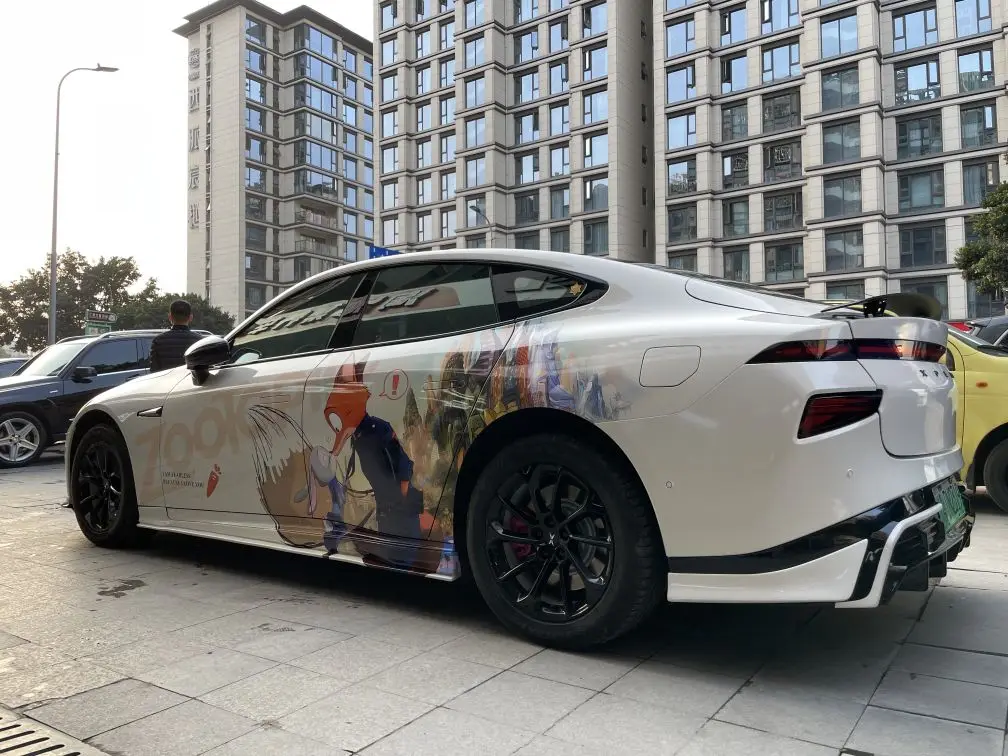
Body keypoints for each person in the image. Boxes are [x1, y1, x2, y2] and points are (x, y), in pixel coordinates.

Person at [148, 299, 203, 372]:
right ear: (190, 317)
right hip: (191, 379)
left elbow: (154, 372)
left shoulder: (158, 341)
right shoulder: (200, 341)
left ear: (170, 317)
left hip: (167, 379)